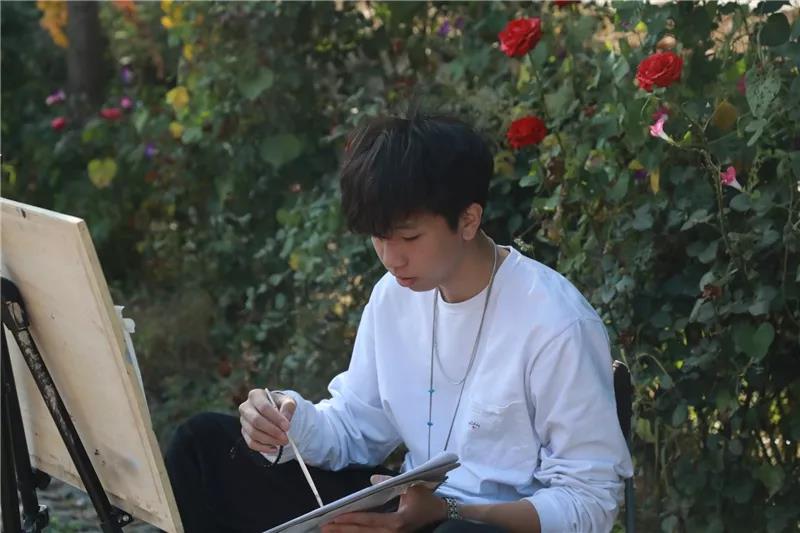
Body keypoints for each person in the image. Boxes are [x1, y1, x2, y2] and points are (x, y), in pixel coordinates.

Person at [165, 112, 633, 533]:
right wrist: (285, 419)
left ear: (468, 220)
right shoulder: (394, 296)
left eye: (409, 238)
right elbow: (355, 428)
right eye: (379, 238)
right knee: (203, 447)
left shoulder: (555, 323)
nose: (391, 258)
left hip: (484, 525)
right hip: (407, 511)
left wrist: (451, 510)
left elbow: (589, 504)